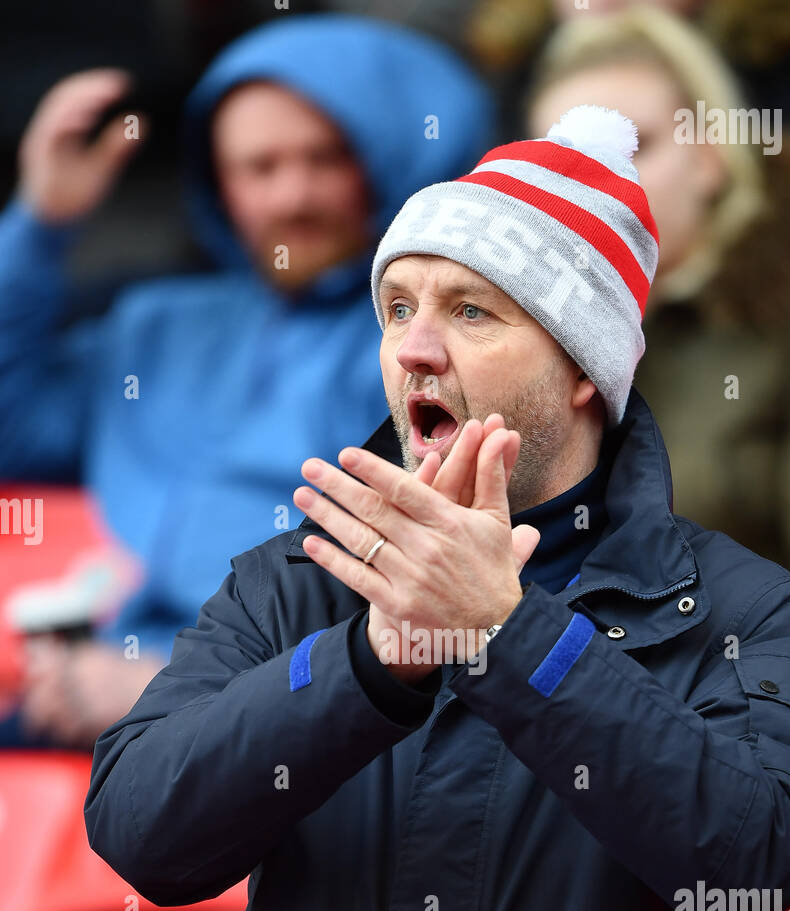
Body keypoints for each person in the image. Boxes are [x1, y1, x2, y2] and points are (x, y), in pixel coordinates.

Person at [85, 105, 790, 911]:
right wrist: (368, 668)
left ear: (583, 371)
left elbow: (752, 855)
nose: (414, 348)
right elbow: (140, 825)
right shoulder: (296, 584)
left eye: (470, 310)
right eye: (398, 308)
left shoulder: (741, 608)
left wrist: (510, 638)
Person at [0, 14, 493, 747]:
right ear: (219, 184)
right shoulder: (159, 326)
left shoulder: (436, 348)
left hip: (300, 743)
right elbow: (15, 425)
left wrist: (170, 690)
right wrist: (42, 223)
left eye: (325, 158)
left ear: (394, 158)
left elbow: (436, 619)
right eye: (258, 168)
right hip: (91, 707)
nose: (292, 196)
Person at [525, 5, 790, 704]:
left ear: (710, 158)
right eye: (569, 160)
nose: (602, 184)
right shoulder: (514, 328)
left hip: (726, 721)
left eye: (637, 144)